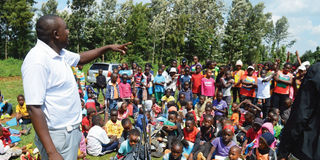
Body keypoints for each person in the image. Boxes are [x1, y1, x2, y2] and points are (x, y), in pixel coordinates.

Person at [21, 15, 131, 160]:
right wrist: (52, 152)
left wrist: (108, 48)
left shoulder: (58, 53)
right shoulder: (37, 61)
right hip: (57, 136)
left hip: (70, 132)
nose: (68, 32)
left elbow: (81, 58)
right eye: (65, 28)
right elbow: (33, 108)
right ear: (56, 34)